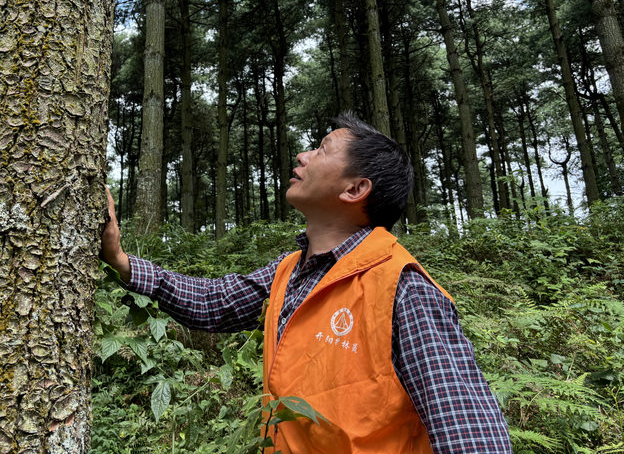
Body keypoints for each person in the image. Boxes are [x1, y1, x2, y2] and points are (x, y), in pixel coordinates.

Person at [101, 112, 512, 453]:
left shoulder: (403, 289)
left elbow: (469, 432)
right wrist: (121, 261)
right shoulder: (290, 270)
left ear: (355, 188)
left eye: (322, 149)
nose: (303, 155)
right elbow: (213, 303)